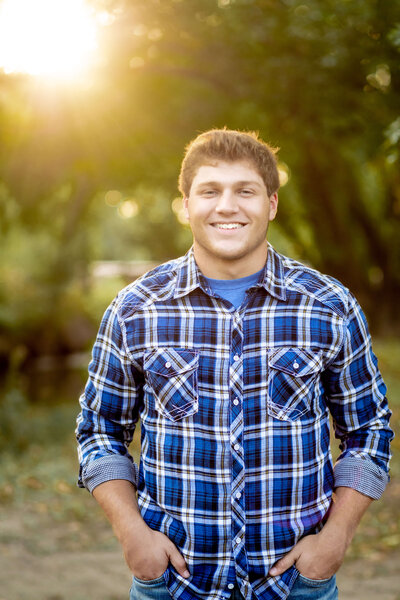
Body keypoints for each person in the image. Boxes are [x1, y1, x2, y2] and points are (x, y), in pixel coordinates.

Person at [76, 129, 393, 600]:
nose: (227, 206)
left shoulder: (329, 306)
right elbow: (99, 429)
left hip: (295, 585)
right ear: (185, 206)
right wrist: (133, 537)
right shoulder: (135, 309)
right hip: (174, 585)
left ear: (271, 204)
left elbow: (369, 429)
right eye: (209, 191)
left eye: (245, 191)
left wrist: (336, 539)